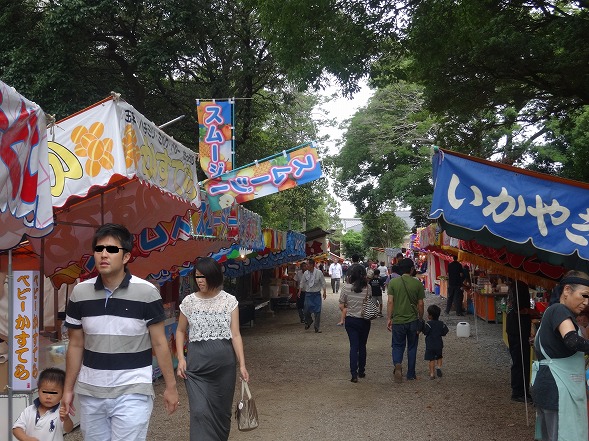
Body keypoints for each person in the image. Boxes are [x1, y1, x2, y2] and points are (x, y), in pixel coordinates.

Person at [63, 223, 178, 441]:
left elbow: (160, 343)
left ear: (126, 257)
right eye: (99, 249)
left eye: (112, 250)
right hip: (91, 391)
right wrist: (68, 389)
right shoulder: (80, 293)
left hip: (133, 390)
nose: (104, 254)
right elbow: (76, 345)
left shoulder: (147, 292)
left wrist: (171, 387)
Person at [175, 257, 249, 440]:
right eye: (197, 276)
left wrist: (242, 365)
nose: (199, 280)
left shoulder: (229, 301)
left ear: (214, 277)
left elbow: (236, 334)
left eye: (203, 276)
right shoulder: (189, 302)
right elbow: (180, 331)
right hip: (196, 367)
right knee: (199, 412)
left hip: (224, 367)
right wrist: (181, 359)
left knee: (222, 413)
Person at [531, 271, 589, 441]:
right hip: (558, 390)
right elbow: (572, 341)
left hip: (551, 388)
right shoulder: (559, 310)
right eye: (583, 295)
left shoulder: (554, 312)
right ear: (567, 290)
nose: (586, 302)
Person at [387, 258, 425, 383]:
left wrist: (389, 318)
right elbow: (420, 304)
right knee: (412, 347)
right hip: (413, 320)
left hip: (398, 320)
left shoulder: (393, 283)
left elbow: (390, 301)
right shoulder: (418, 283)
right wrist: (420, 318)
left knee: (397, 345)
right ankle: (411, 374)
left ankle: (398, 364)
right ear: (412, 269)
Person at [13, 368, 73, 441]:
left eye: (54, 393)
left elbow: (68, 429)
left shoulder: (61, 412)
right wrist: (25, 438)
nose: (48, 396)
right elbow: (16, 428)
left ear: (62, 394)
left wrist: (66, 419)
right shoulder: (29, 410)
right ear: (38, 390)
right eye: (44, 392)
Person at [339, 263, 371, 383]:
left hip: (351, 320)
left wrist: (346, 310)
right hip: (365, 320)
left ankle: (353, 374)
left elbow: (341, 304)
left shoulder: (346, 288)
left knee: (354, 346)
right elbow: (369, 301)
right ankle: (361, 370)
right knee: (362, 345)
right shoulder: (368, 288)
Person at [506, 279, 532, 403]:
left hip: (515, 327)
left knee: (519, 360)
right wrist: (532, 311)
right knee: (521, 360)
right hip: (518, 328)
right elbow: (519, 308)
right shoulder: (519, 286)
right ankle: (519, 392)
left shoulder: (514, 285)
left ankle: (520, 390)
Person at [299, 258, 327, 333]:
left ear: (312, 265)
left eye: (307, 264)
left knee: (317, 311)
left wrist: (324, 292)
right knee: (306, 310)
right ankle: (309, 321)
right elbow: (302, 282)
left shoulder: (319, 272)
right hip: (308, 294)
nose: (306, 266)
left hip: (316, 294)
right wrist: (299, 291)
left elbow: (323, 282)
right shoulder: (305, 273)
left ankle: (317, 327)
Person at [422, 304, 449, 380]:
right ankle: (439, 368)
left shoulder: (428, 324)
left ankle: (432, 374)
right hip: (439, 344)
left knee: (431, 359)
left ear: (430, 315)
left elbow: (425, 332)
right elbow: (445, 331)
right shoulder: (441, 324)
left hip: (430, 345)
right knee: (439, 357)